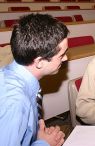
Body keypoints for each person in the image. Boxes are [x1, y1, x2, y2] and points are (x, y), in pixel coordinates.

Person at [0, 13, 69, 146]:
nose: (66, 58)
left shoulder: (15, 76)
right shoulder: (14, 102)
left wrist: (34, 136)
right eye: (61, 55)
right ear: (40, 62)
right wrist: (44, 143)